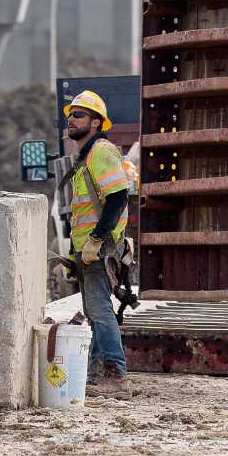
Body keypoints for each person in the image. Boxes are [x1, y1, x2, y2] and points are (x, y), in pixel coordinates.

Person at [60, 89, 132, 384]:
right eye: (71, 115)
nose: (71, 120)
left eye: (79, 115)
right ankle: (96, 374)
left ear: (96, 122)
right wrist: (77, 251)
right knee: (94, 310)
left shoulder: (101, 151)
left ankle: (115, 374)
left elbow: (118, 198)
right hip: (90, 249)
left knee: (100, 310)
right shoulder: (86, 157)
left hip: (99, 248)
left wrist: (97, 240)